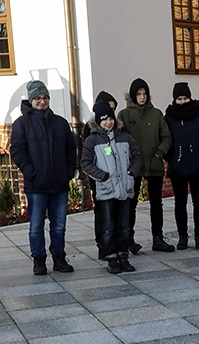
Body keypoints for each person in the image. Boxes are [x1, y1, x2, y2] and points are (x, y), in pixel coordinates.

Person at [10, 80, 77, 275]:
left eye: (45, 97)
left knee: (59, 225)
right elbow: (18, 152)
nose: (42, 101)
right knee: (36, 226)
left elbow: (71, 149)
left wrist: (68, 171)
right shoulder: (21, 124)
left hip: (59, 184)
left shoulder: (60, 123)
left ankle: (59, 258)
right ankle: (38, 259)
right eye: (38, 98)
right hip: (36, 185)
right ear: (31, 100)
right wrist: (32, 173)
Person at [81, 101, 142, 273]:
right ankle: (111, 259)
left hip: (124, 188)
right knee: (108, 226)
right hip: (106, 190)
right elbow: (85, 163)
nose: (108, 122)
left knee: (124, 225)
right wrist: (102, 176)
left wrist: (131, 174)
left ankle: (123, 256)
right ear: (98, 122)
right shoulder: (93, 140)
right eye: (104, 120)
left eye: (110, 119)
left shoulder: (125, 137)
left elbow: (137, 156)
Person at [118, 78, 175, 253]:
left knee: (156, 203)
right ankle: (128, 239)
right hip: (133, 166)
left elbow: (166, 136)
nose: (142, 97)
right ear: (133, 96)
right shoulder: (124, 115)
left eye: (145, 94)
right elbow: (119, 138)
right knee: (131, 202)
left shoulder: (156, 114)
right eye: (139, 94)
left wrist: (159, 153)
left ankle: (157, 238)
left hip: (154, 164)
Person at [165, 82, 199, 250]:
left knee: (198, 202)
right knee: (180, 203)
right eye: (179, 99)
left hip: (197, 166)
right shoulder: (169, 117)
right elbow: (165, 139)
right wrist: (171, 158)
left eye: (185, 98)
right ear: (175, 99)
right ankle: (182, 237)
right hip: (177, 167)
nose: (183, 102)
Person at [85, 91, 118, 256]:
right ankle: (103, 245)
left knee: (115, 215)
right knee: (103, 215)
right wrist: (99, 175)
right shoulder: (90, 131)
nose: (109, 121)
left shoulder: (117, 131)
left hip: (116, 179)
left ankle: (116, 244)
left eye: (112, 112)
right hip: (100, 178)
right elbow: (87, 158)